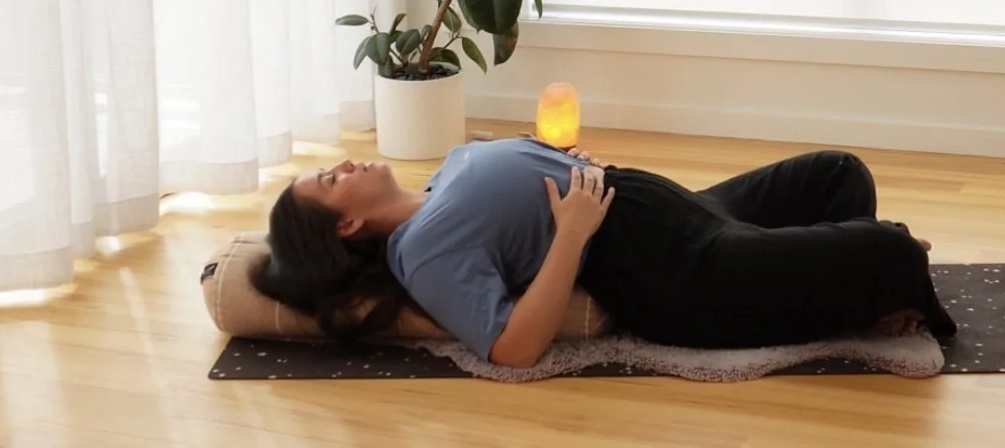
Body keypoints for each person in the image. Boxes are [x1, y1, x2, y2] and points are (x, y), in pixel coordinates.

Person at [255, 137, 955, 368]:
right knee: (889, 248)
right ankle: (859, 279)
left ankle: (839, 288)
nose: (344, 164)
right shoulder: (422, 252)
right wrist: (571, 233)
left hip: (686, 210)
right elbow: (512, 347)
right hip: (675, 270)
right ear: (345, 227)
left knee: (838, 173)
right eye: (330, 180)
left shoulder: (444, 179)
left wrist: (562, 162)